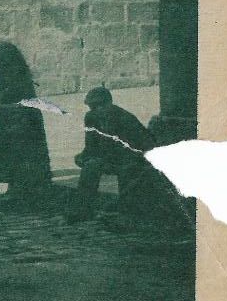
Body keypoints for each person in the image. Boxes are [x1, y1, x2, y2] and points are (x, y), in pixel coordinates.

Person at [67, 86, 158, 223]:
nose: (97, 109)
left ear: (109, 103)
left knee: (127, 169)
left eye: (101, 105)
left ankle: (127, 213)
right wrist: (83, 157)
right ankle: (83, 210)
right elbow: (91, 145)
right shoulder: (90, 118)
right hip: (110, 158)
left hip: (133, 158)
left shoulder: (125, 118)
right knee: (90, 166)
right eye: (93, 106)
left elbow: (144, 145)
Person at [0, 40, 52, 203]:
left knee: (18, 155)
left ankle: (20, 189)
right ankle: (20, 188)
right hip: (17, 118)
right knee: (18, 155)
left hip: (19, 120)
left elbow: (12, 97)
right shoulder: (17, 71)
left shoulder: (11, 73)